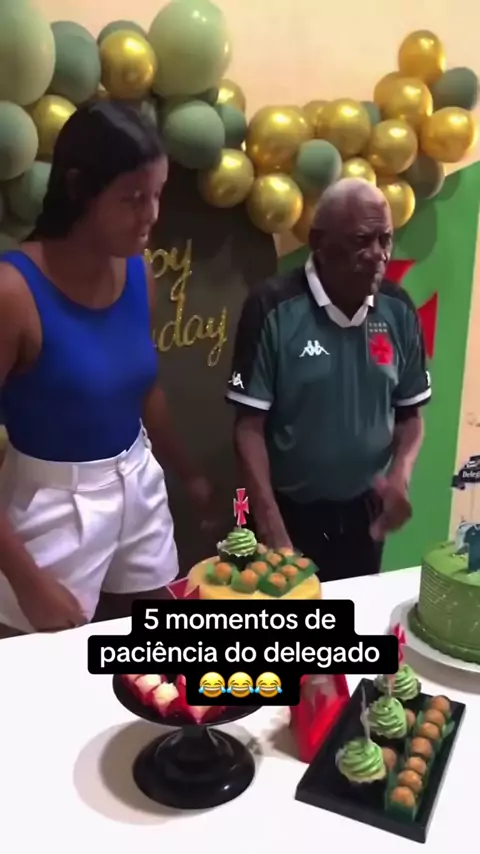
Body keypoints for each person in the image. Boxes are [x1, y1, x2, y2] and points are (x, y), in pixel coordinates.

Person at [0, 100, 212, 637]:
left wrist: (187, 472)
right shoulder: (13, 293)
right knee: (42, 664)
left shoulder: (138, 271)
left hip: (137, 478)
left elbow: (141, 387)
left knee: (160, 647)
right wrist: (27, 581)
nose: (152, 214)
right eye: (134, 198)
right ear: (79, 189)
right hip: (50, 504)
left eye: (158, 194)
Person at [227, 178, 431, 582]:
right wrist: (271, 527)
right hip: (285, 511)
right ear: (319, 242)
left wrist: (400, 476)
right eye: (361, 241)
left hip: (362, 515)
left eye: (385, 239)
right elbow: (248, 429)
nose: (379, 254)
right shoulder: (272, 307)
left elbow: (411, 417)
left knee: (351, 617)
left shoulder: (398, 308)